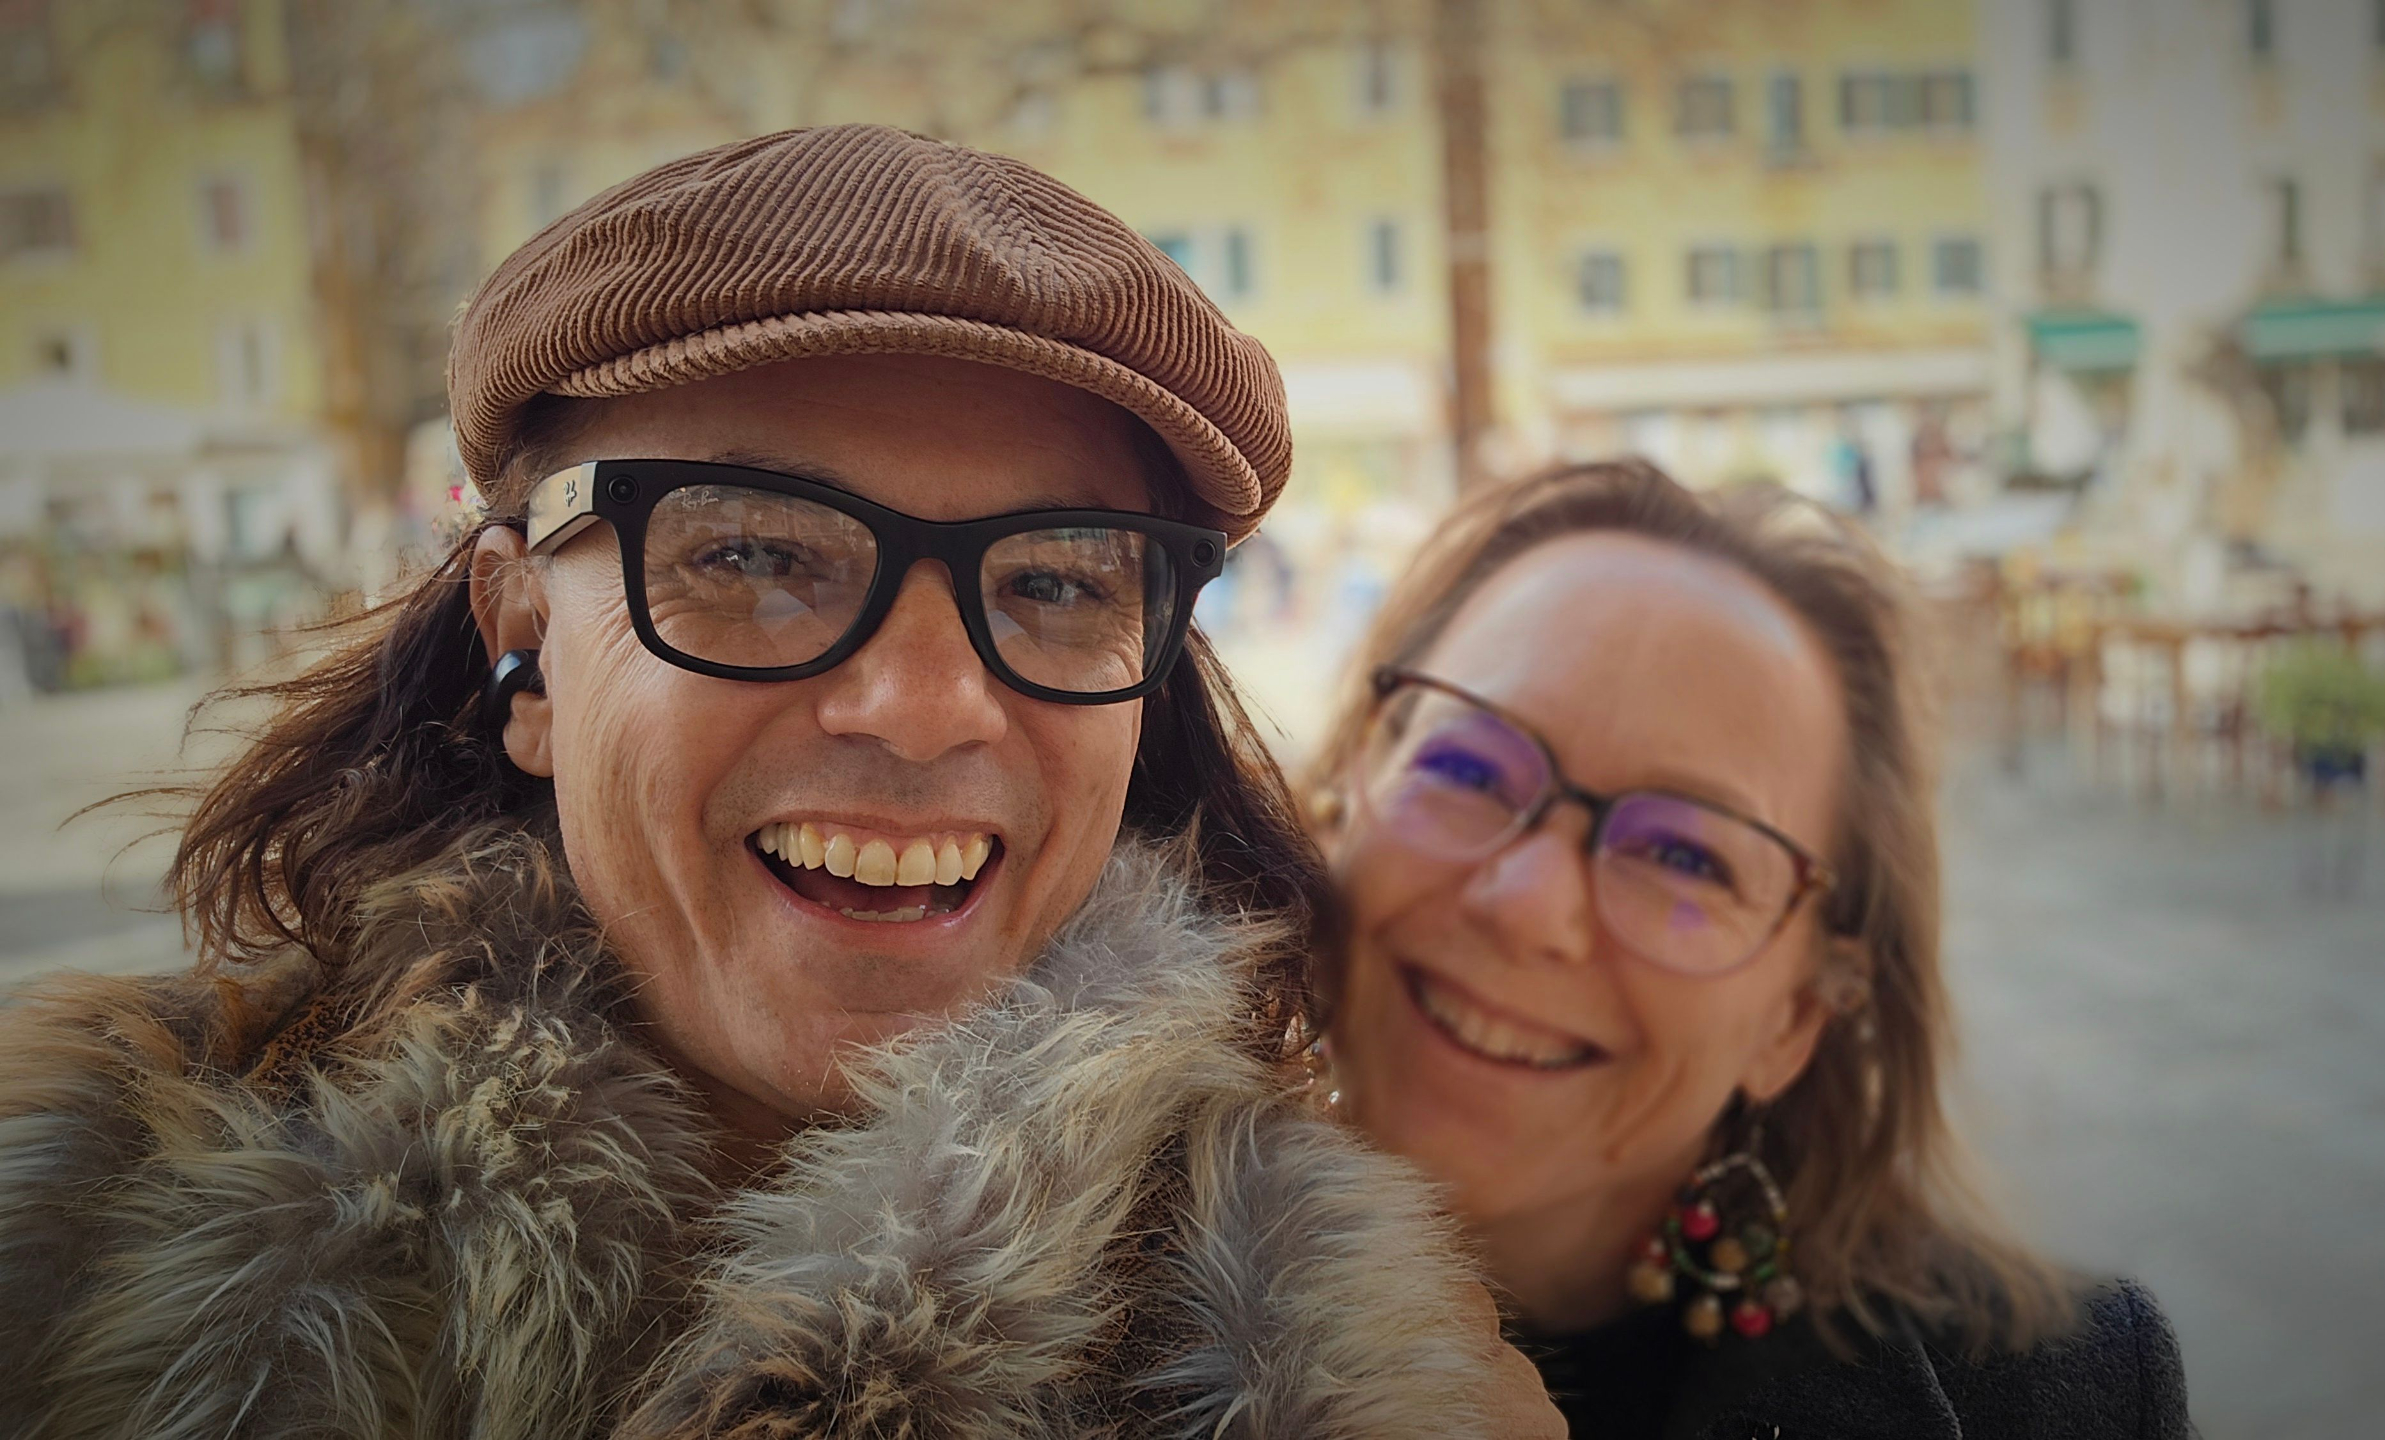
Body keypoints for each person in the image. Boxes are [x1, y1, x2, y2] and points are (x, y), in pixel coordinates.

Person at [0, 126, 1559, 1439]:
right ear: (520, 631)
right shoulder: (69, 1213)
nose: (924, 708)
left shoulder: (1340, 1369)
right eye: (751, 555)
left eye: (1056, 580)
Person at [1303, 461, 2192, 1439]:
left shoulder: (2069, 1400)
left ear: (1796, 1016)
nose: (1527, 906)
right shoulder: (1144, 1268)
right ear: (1341, 804)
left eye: (1684, 856)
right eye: (1466, 767)